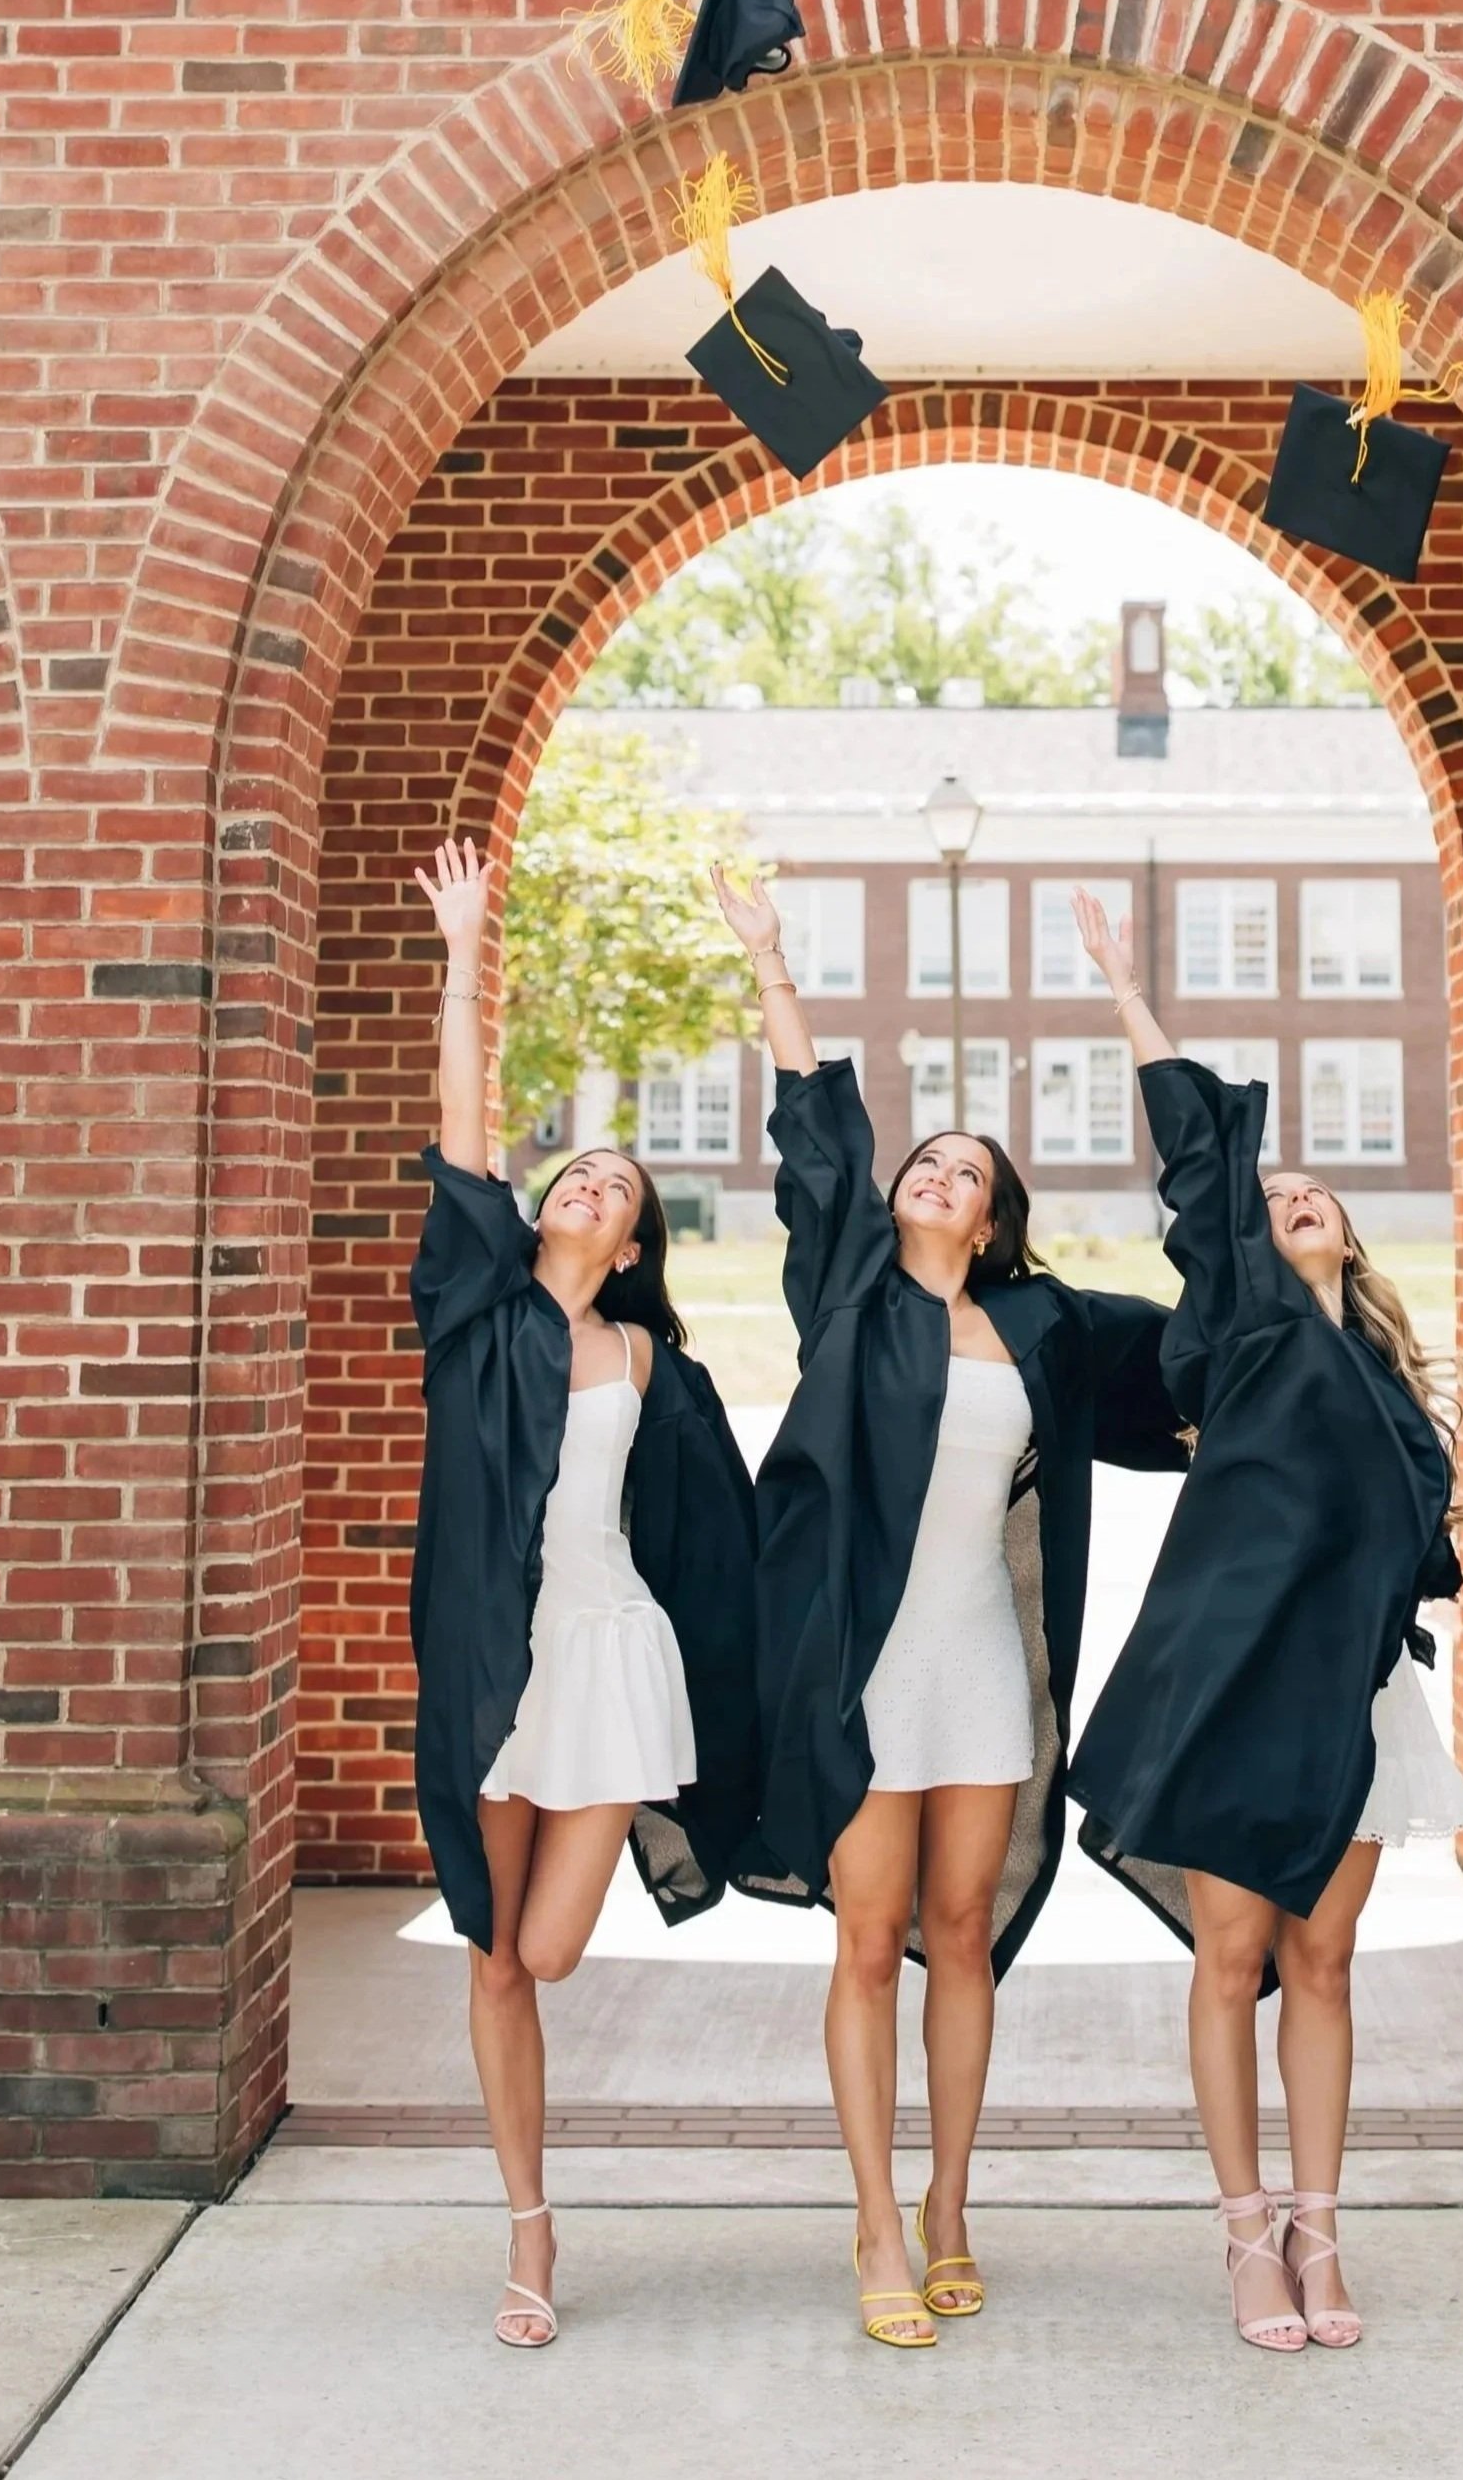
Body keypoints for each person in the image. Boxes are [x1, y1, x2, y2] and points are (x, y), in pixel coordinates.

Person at [712, 865, 1188, 2351]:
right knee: (866, 1939)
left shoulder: (1047, 1323)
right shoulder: (848, 1287)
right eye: (926, 1159)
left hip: (987, 1663)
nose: (935, 1173)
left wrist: (1133, 1013)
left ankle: (952, 2204)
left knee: (964, 1929)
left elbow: (1205, 1362)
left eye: (965, 1170)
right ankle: (869, 2219)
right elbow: (815, 1136)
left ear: (993, 1220)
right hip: (861, 1665)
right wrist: (776, 964)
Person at [1063, 890, 1463, 2356]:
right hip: (1237, 1686)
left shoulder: (1395, 1380)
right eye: (1272, 1191)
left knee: (1324, 1960)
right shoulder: (1239, 1329)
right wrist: (1126, 988)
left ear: (1352, 1233)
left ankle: (1321, 2222)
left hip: (1357, 1703)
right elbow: (1199, 1150)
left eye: (1316, 1191)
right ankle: (1245, 2236)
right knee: (1228, 1958)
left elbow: (1422, 1551)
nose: (1290, 1194)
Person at [407, 836, 759, 2350]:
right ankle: (530, 2230)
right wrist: (463, 949)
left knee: (549, 1948)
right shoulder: (476, 1309)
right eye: (577, 1171)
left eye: (617, 1186)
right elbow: (462, 1127)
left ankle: (537, 2217)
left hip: (612, 1653)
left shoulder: (652, 1367)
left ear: (632, 1240)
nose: (588, 1181)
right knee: (497, 1952)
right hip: (496, 1654)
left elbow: (729, 1534)